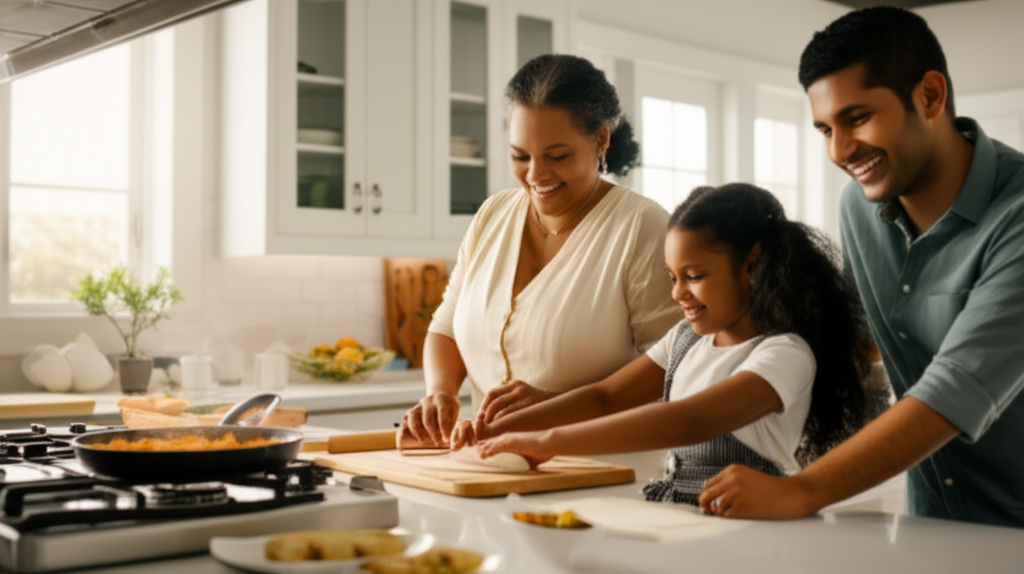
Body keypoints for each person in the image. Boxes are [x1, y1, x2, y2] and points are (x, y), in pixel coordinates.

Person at [698, 7, 1024, 528]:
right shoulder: (859, 206)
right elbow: (859, 341)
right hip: (934, 524)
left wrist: (801, 490)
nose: (840, 150)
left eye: (857, 118)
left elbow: (951, 391)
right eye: (825, 127)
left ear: (930, 96)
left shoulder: (1017, 216)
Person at [457, 184, 875, 507]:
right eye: (672, 277)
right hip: (679, 513)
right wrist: (498, 429)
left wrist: (548, 442)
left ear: (752, 263)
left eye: (693, 275)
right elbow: (606, 397)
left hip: (753, 529)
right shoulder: (686, 338)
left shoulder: (784, 353)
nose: (678, 293)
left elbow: (692, 420)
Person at [399, 54, 683, 448]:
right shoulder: (492, 215)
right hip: (494, 472)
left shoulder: (643, 228)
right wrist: (440, 392)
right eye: (520, 156)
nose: (535, 175)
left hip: (604, 475)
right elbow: (447, 325)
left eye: (557, 156)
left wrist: (557, 407)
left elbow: (676, 363)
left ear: (600, 139)